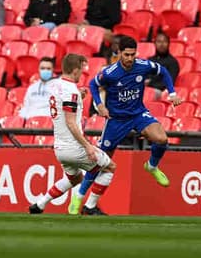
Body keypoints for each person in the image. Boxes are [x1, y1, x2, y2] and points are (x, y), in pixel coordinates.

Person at [71, 38, 181, 214]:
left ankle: (151, 166)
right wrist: (99, 104)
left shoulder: (143, 66)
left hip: (138, 114)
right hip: (116, 119)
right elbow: (93, 84)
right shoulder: (110, 72)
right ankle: (79, 196)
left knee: (161, 139)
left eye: (133, 54)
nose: (130, 58)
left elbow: (164, 72)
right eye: (126, 54)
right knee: (100, 162)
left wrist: (173, 93)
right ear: (120, 53)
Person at [31, 54, 116, 216]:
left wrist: (78, 97)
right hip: (74, 147)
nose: (81, 74)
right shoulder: (71, 92)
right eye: (81, 70)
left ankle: (40, 204)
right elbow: (70, 122)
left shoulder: (55, 85)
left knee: (74, 178)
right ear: (76, 70)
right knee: (110, 167)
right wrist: (87, 146)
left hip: (59, 148)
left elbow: (64, 103)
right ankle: (90, 207)